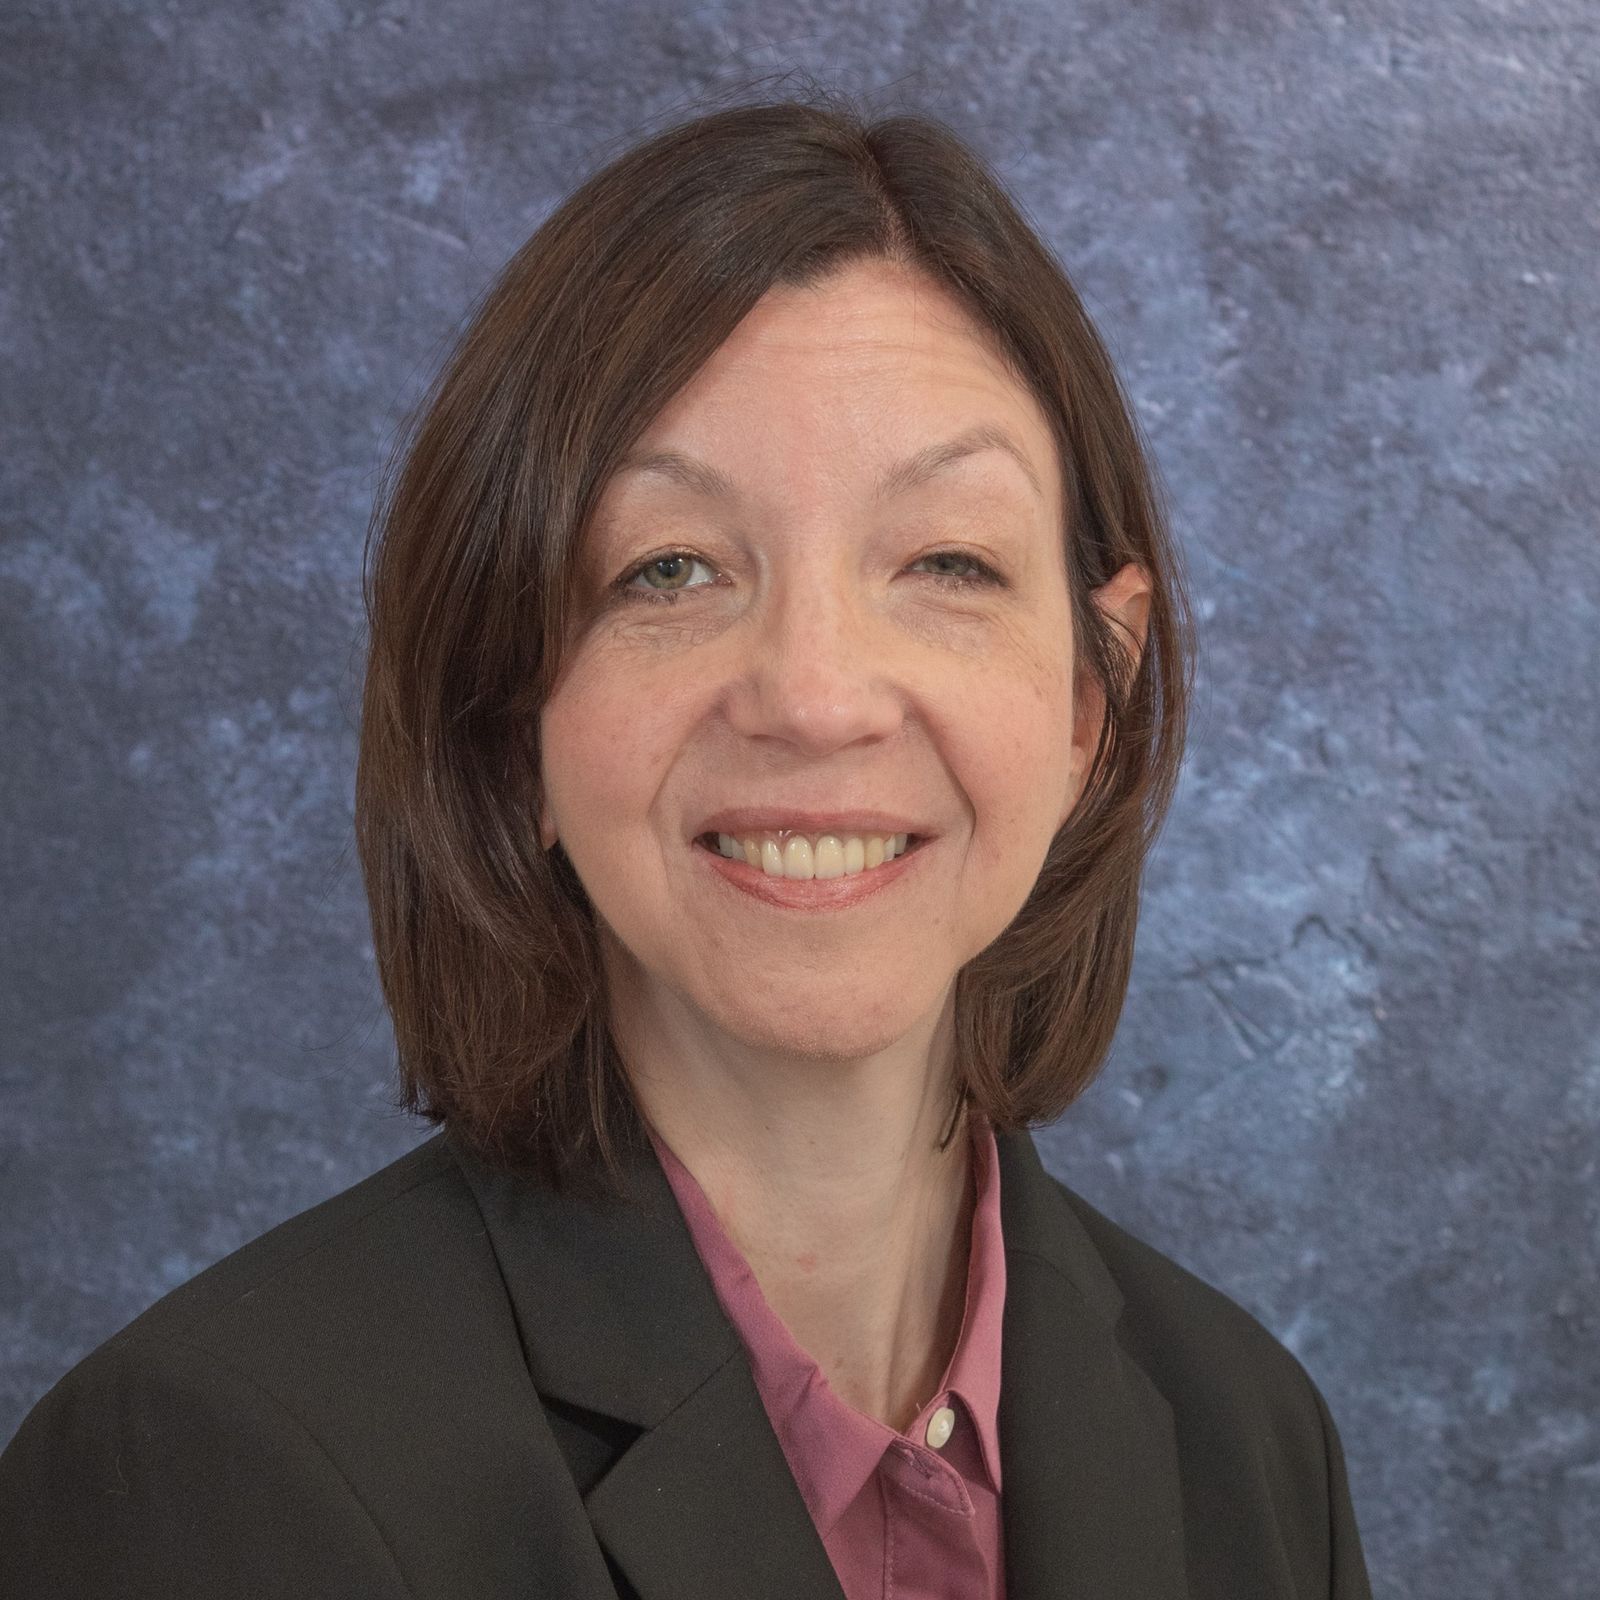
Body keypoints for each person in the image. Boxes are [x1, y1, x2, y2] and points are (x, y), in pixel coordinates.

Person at [0, 92, 1374, 1599]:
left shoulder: (1247, 1447)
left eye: (946, 562)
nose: (815, 697)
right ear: (508, 707)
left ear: (1086, 704)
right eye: (671, 568)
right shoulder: (211, 1480)